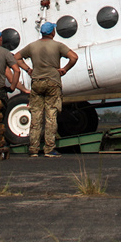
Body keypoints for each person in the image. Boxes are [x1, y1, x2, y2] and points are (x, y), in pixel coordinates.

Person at [17, 22, 79, 158]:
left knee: (36, 115)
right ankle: (49, 148)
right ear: (52, 32)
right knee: (51, 115)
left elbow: (16, 57)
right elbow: (74, 57)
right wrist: (64, 69)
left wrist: (28, 69)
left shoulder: (32, 46)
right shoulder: (58, 45)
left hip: (37, 82)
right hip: (52, 82)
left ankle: (33, 149)